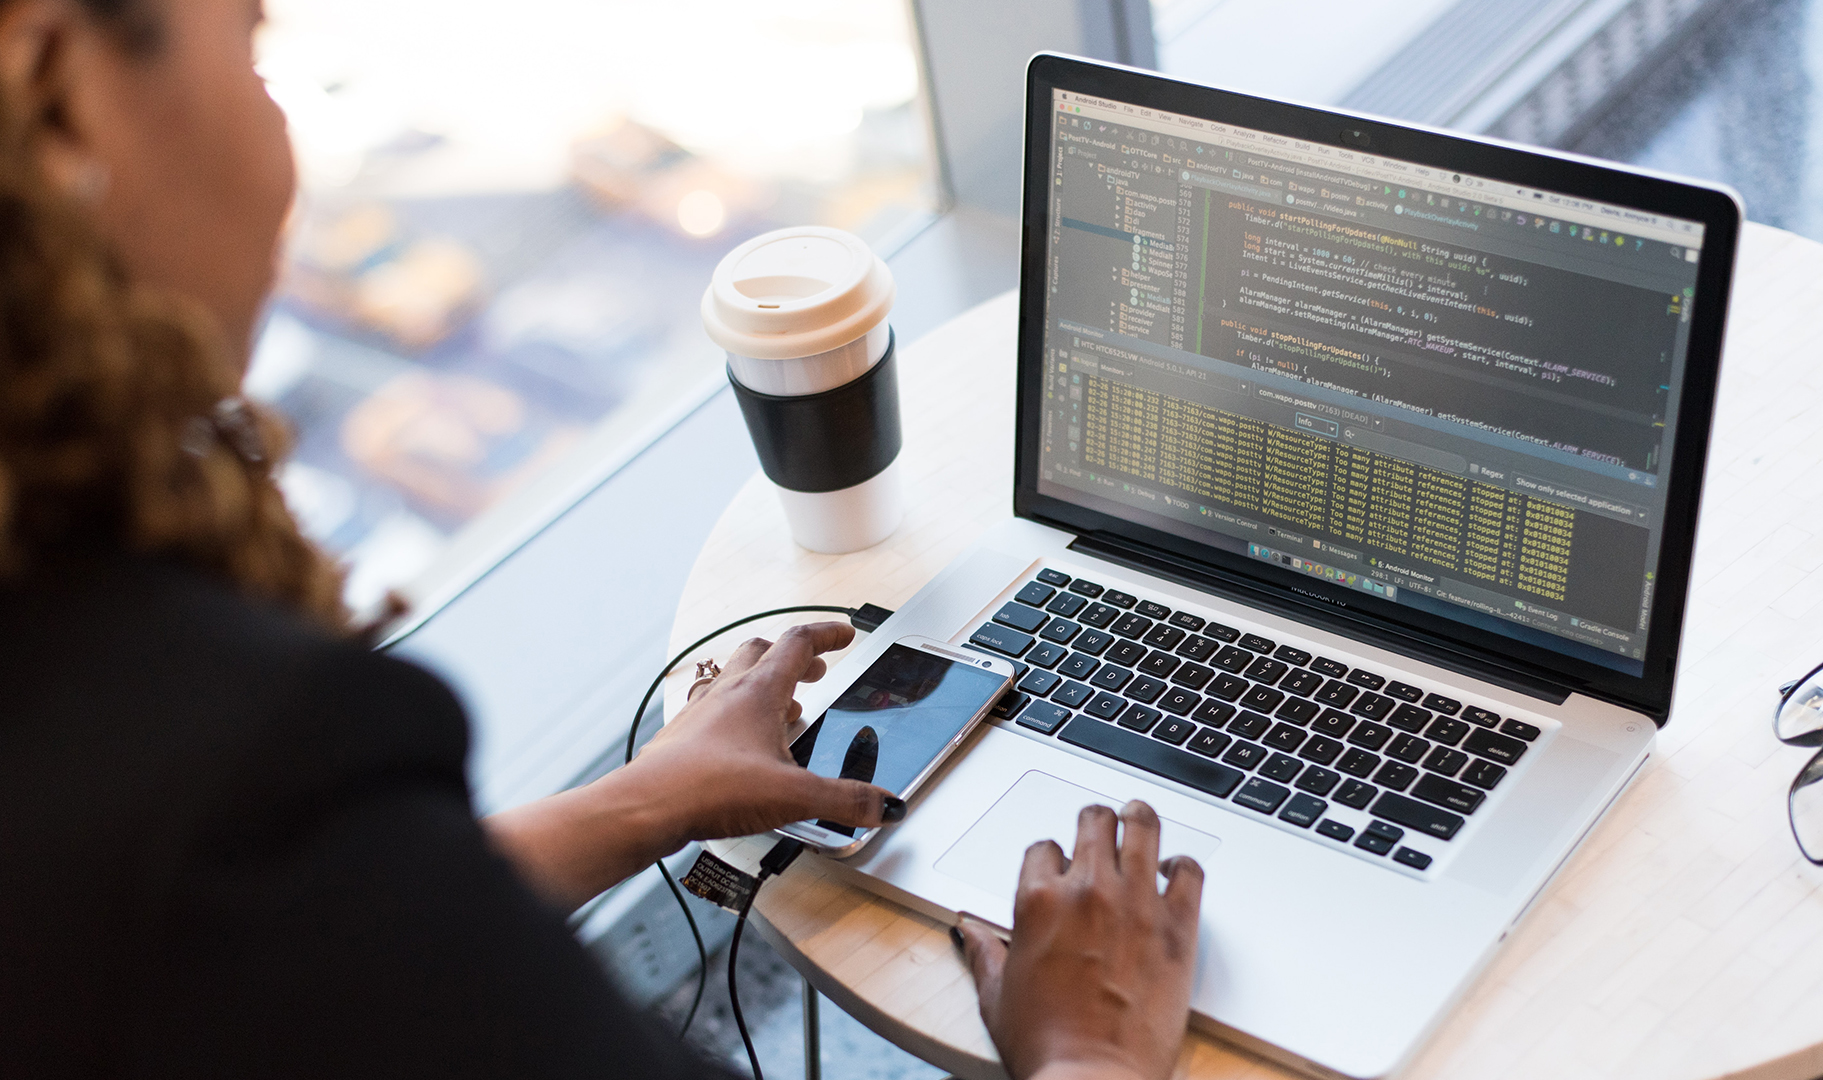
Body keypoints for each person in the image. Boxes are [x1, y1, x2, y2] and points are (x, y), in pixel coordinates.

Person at [0, 1, 1208, 1077]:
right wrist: (1089, 1055)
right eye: (251, 42)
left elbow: (297, 949)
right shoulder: (233, 755)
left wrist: (644, 801)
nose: (278, 132)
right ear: (60, 98)